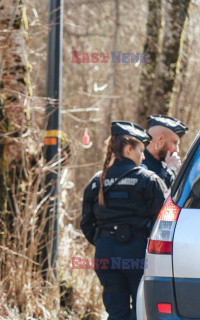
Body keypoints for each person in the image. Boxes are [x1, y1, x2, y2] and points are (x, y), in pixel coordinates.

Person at [81, 121, 166, 320]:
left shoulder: (97, 181)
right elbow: (162, 223)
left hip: (105, 254)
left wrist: (104, 240)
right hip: (136, 253)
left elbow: (86, 223)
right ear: (129, 149)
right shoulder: (149, 180)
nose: (143, 156)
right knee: (141, 311)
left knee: (116, 313)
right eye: (141, 150)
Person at [143, 115, 188, 189]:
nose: (177, 150)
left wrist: (177, 173)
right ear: (161, 140)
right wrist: (171, 170)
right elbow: (157, 192)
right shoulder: (138, 163)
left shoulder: (164, 166)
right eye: (174, 143)